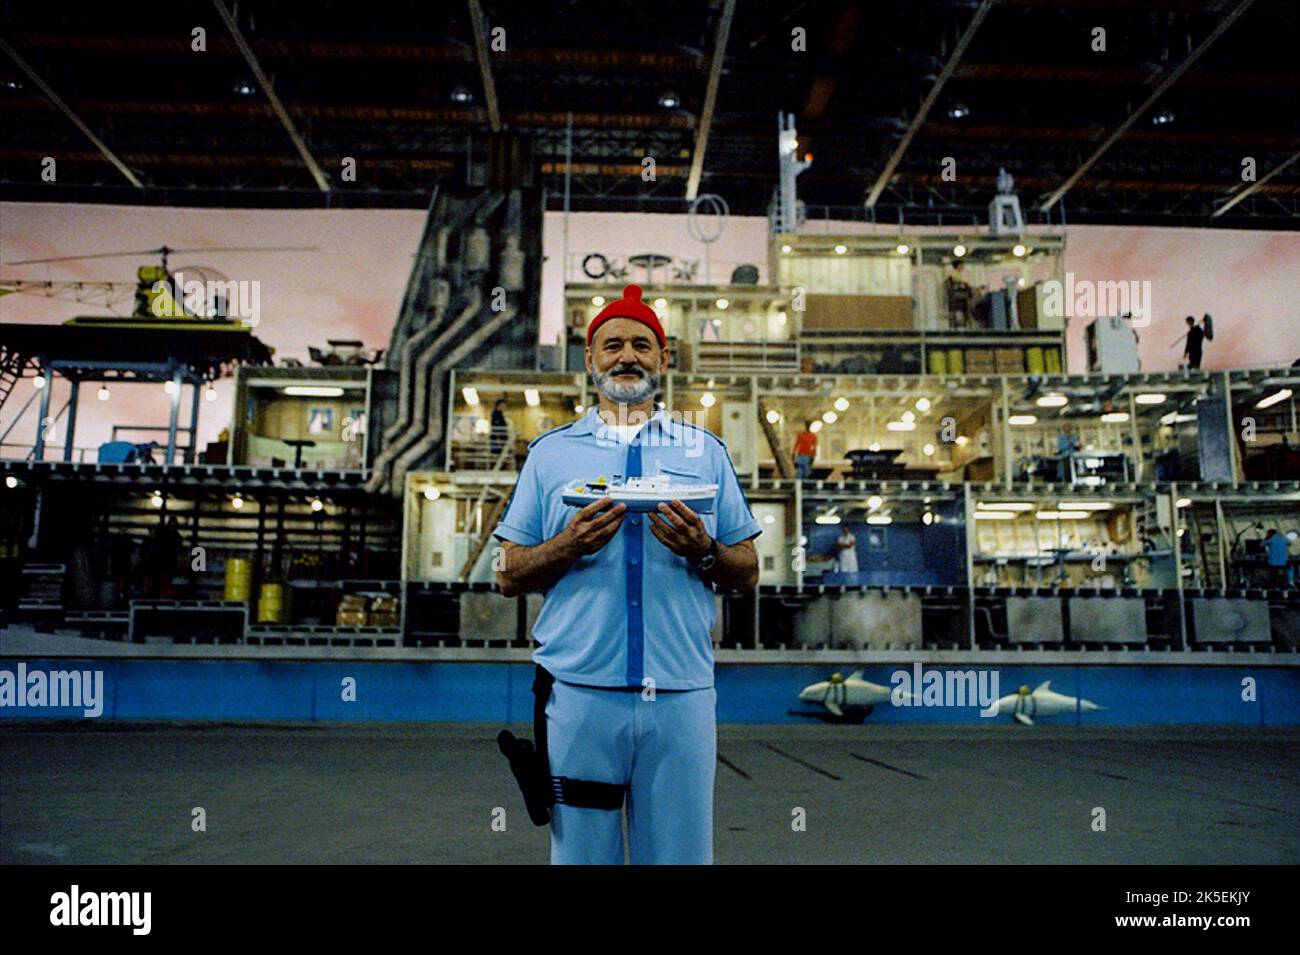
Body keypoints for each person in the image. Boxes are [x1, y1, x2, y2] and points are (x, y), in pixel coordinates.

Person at [493, 283, 761, 865]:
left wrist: (705, 549)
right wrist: (566, 545)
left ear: (663, 360)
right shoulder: (550, 455)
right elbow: (507, 572)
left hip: (681, 697)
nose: (627, 356)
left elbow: (748, 569)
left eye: (643, 344)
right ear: (590, 359)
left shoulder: (705, 452)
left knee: (682, 859)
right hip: (580, 697)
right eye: (612, 344)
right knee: (582, 859)